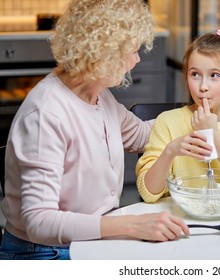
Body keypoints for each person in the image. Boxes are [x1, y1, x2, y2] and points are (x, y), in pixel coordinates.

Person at [0, 0, 190, 260]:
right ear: (104, 51)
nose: (136, 60)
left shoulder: (101, 98)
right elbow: (39, 221)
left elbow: (144, 135)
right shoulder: (46, 114)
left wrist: (209, 116)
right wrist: (133, 226)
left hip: (90, 242)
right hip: (43, 252)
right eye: (131, 50)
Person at [136, 21, 220, 203]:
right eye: (195, 74)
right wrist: (170, 151)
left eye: (214, 75)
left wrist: (213, 134)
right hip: (178, 222)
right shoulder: (167, 122)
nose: (203, 86)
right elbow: (149, 193)